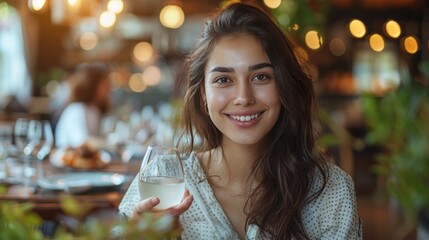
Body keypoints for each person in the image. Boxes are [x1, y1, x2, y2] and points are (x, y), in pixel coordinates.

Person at [118, 2, 362, 239]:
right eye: (224, 80)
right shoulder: (157, 180)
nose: (243, 98)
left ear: (284, 85)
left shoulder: (329, 191)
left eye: (261, 76)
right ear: (203, 94)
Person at [55, 62, 111, 148]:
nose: (109, 88)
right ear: (92, 84)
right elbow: (83, 143)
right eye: (105, 84)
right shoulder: (77, 110)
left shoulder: (94, 110)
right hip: (68, 160)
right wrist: (110, 144)